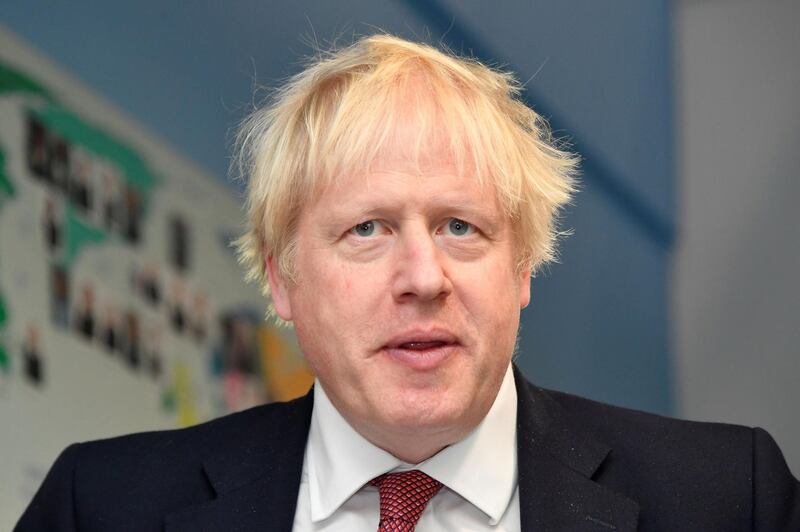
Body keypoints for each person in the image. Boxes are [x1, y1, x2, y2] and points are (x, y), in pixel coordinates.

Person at [16, 34, 799, 532]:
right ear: (283, 279)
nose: (424, 279)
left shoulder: (732, 501)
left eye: (462, 227)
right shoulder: (105, 506)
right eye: (368, 230)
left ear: (522, 264)